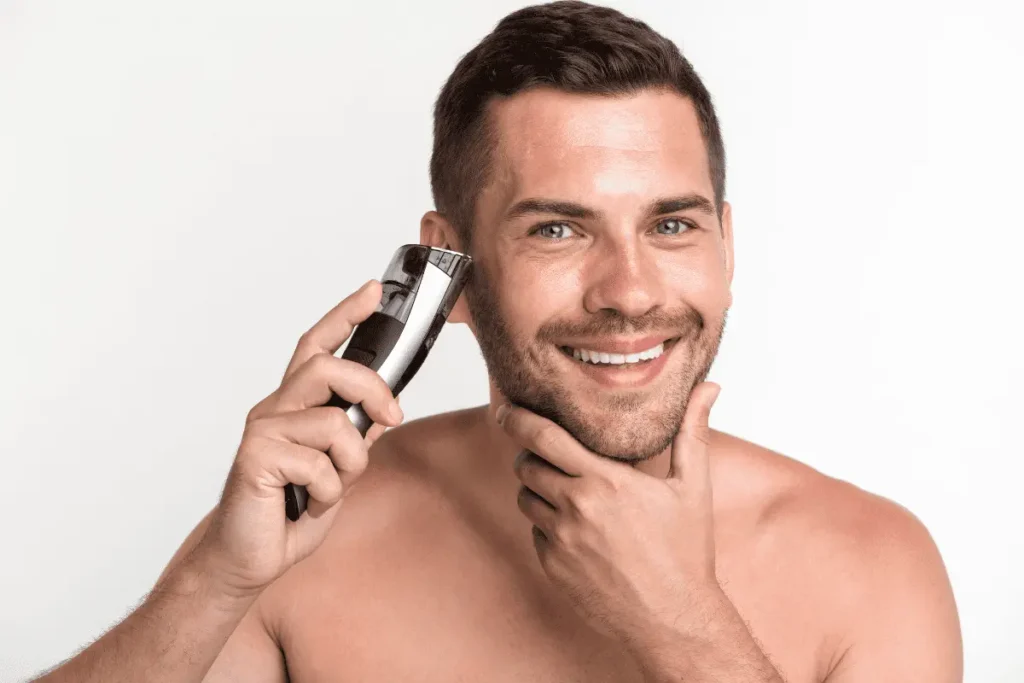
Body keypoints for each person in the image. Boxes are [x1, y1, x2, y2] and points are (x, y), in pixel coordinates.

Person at [32, 2, 963, 682]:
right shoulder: (307, 543)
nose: (631, 292)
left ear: (727, 245)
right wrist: (215, 582)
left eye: (672, 226)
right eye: (557, 230)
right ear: (454, 271)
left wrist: (683, 625)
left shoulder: (871, 566)